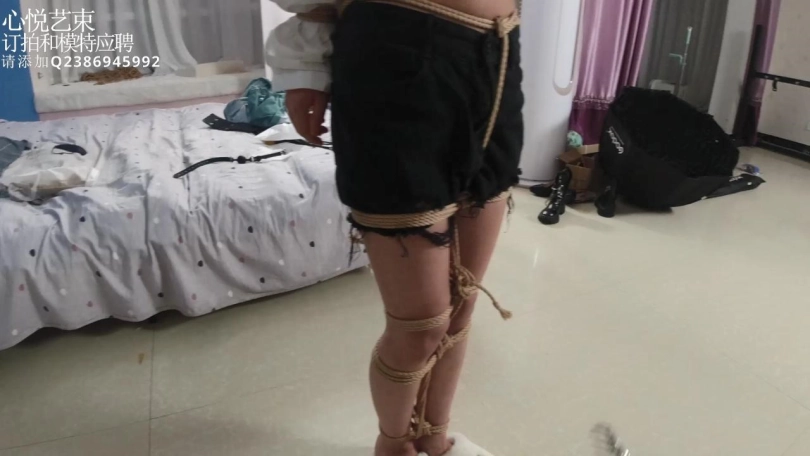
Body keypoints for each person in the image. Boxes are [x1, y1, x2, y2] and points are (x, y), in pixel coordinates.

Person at [266, 1, 523, 455]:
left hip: (499, 53)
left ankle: (436, 440)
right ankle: (392, 446)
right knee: (421, 323)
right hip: (396, 52)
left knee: (461, 304)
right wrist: (305, 64)